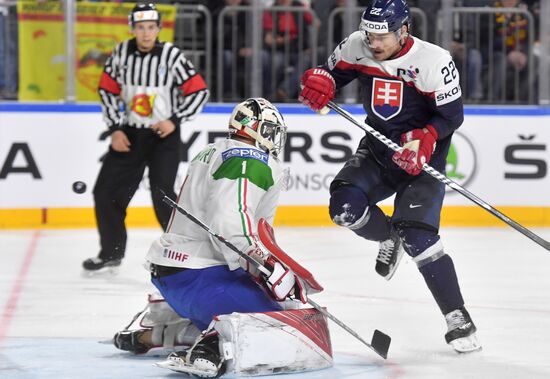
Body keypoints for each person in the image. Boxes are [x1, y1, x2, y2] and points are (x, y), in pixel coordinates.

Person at [298, 0, 481, 353]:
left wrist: (426, 138)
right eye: (370, 35)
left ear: (403, 30)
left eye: (382, 37)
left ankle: (458, 316)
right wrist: (321, 82)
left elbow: (451, 117)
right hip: (379, 151)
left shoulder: (434, 60)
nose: (374, 44)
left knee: (419, 237)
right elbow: (329, 76)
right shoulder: (357, 45)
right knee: (344, 209)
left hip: (421, 160)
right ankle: (387, 237)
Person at [112, 98, 330, 377]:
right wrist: (266, 266)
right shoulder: (249, 159)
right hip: (201, 275)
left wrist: (265, 269)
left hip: (175, 275)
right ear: (256, 128)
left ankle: (157, 333)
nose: (276, 139)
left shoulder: (214, 150)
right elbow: (229, 223)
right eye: (272, 130)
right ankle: (211, 348)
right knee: (282, 326)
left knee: (277, 311)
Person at [82, 3, 209, 273]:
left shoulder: (171, 55)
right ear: (132, 29)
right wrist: (115, 128)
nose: (146, 33)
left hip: (163, 137)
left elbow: (198, 91)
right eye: (140, 28)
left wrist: (174, 120)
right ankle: (111, 253)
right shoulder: (120, 54)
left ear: (159, 29)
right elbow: (107, 90)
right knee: (105, 193)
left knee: (162, 194)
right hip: (129, 133)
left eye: (151, 27)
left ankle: (182, 254)